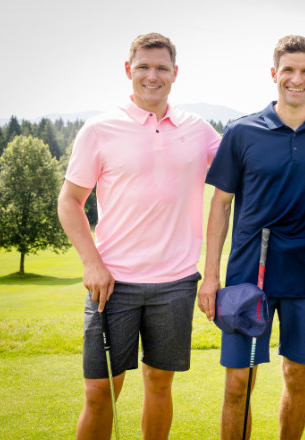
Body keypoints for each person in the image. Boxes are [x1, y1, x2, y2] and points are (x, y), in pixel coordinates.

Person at [57, 33, 222, 440]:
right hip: (113, 285)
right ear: (129, 70)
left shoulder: (198, 130)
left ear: (175, 73)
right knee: (100, 392)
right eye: (144, 67)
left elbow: (248, 158)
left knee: (159, 384)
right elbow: (69, 202)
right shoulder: (99, 129)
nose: (153, 76)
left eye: (162, 67)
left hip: (176, 284)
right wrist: (92, 263)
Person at [197, 35, 305, 439]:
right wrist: (210, 276)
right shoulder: (241, 131)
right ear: (274, 74)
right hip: (251, 277)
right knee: (237, 384)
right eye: (288, 70)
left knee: (297, 377)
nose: (296, 79)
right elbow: (220, 205)